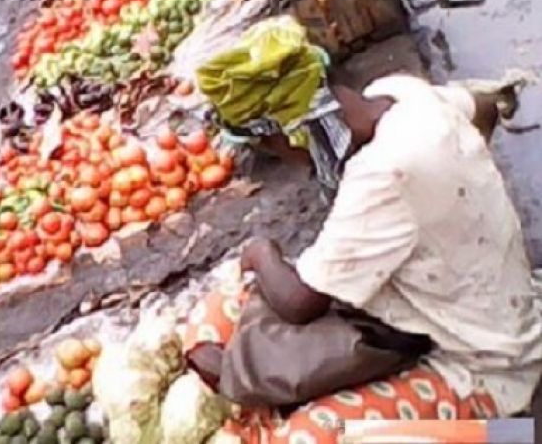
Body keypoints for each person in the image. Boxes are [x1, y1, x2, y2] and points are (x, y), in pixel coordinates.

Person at [184, 73, 542, 441]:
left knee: (314, 432)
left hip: (483, 363)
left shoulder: (380, 177)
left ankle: (505, 434)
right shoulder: (402, 94)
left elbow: (299, 303)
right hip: (463, 304)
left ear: (293, 135)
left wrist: (260, 252)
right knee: (228, 304)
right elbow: (483, 108)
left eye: (277, 151)